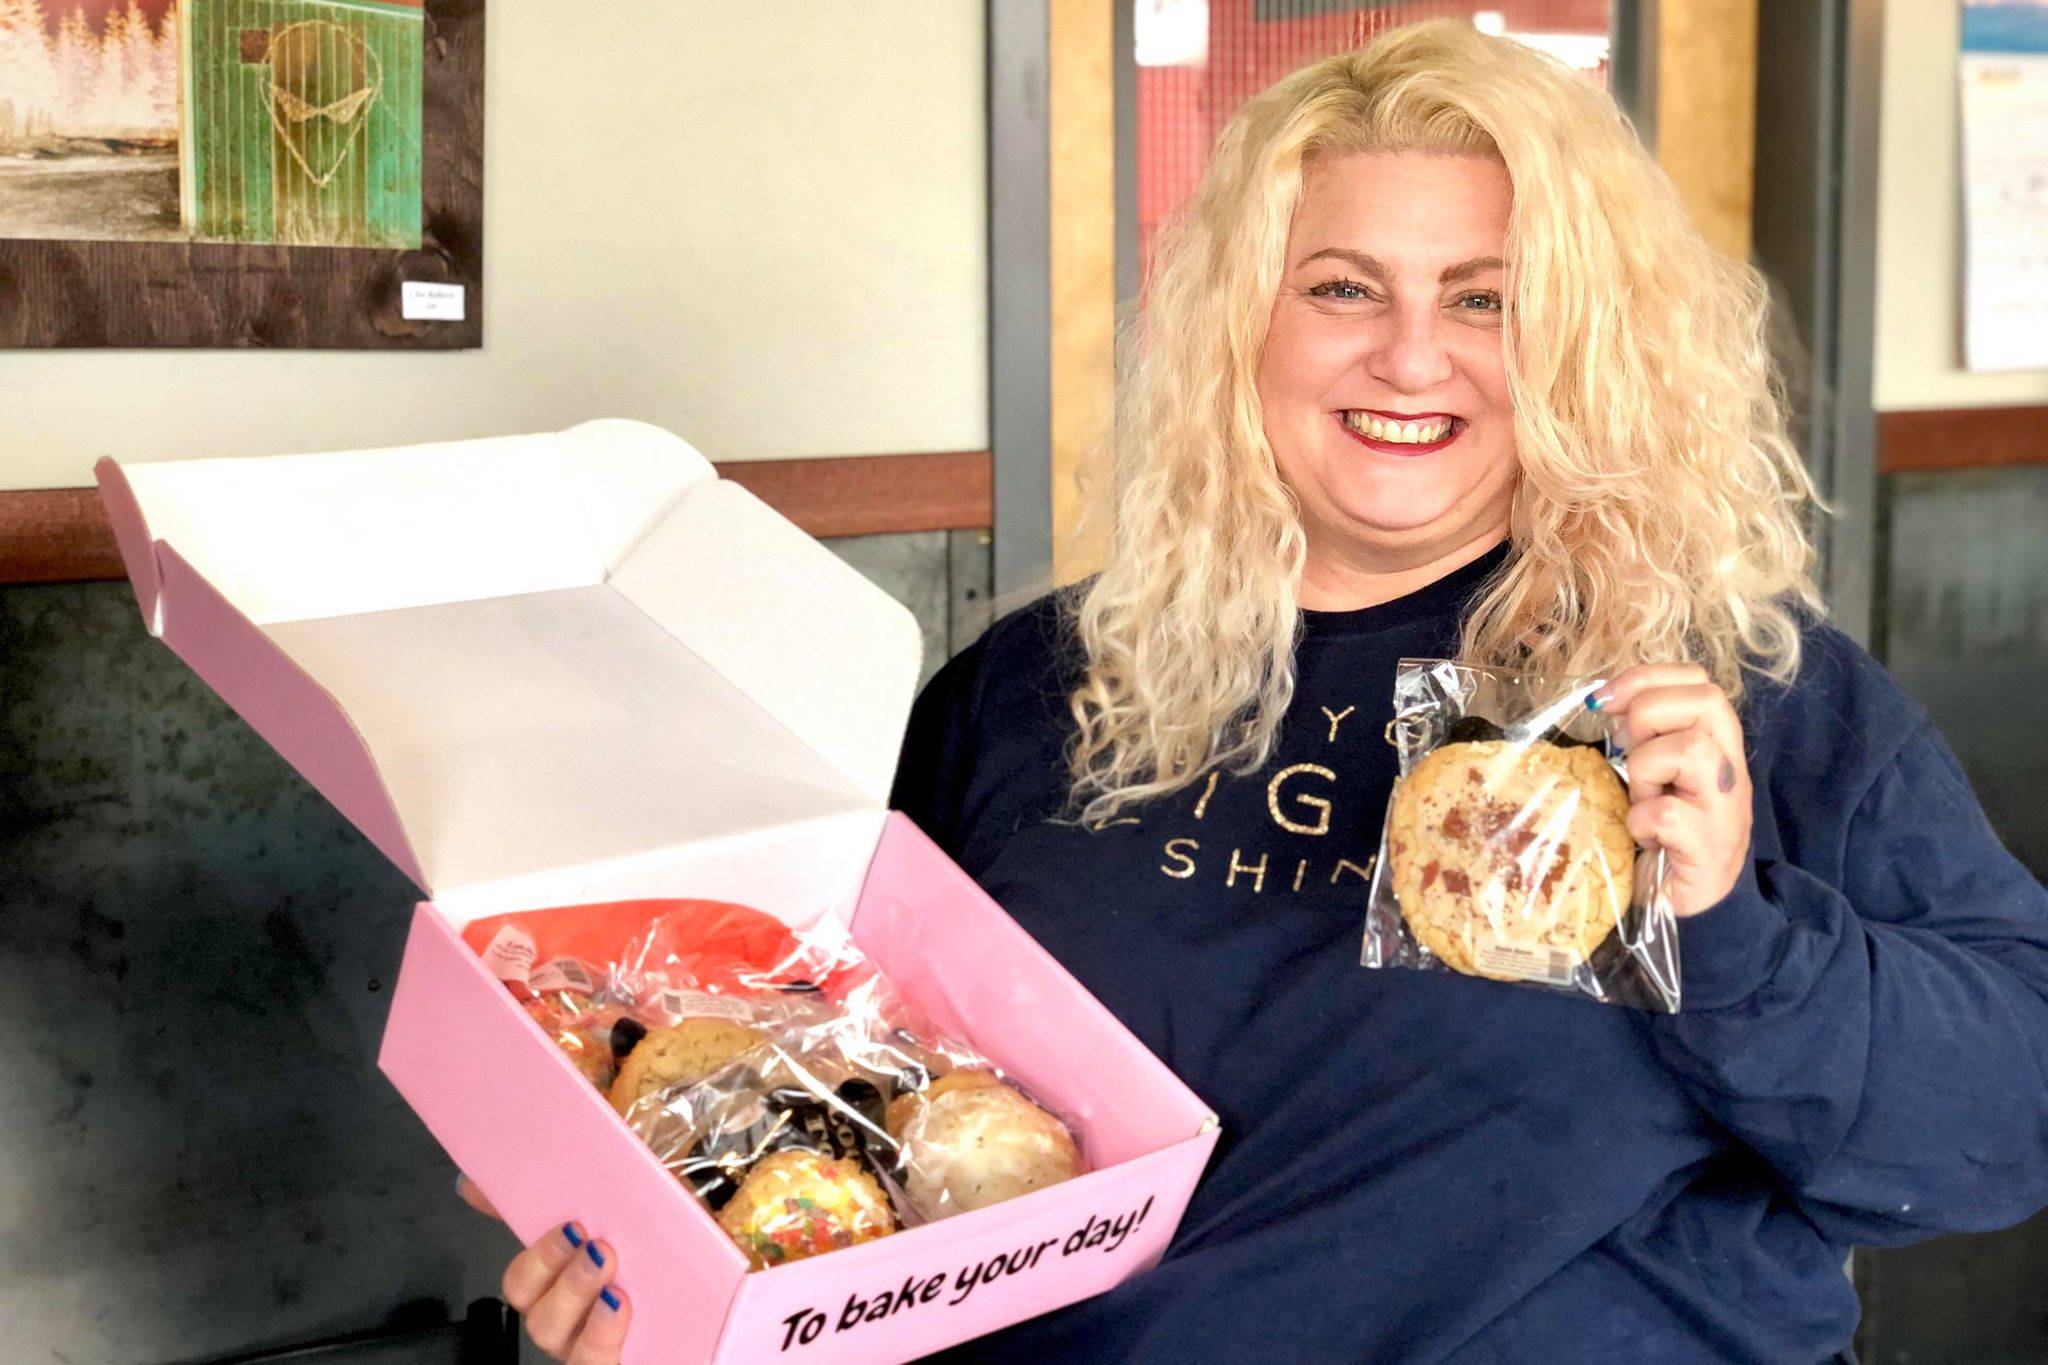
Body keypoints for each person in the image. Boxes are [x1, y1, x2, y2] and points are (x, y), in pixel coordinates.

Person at [461, 20, 2048, 1362]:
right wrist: (672, 1266)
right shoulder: (1033, 696)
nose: (1411, 357)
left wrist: (1729, 930)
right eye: (1344, 287)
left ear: (1581, 343)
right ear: (1244, 327)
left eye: (1486, 298)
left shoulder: (1727, 699)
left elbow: (1999, 1126)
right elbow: (866, 1118)